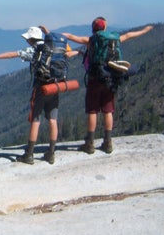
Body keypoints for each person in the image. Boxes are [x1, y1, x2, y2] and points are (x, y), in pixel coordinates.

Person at [0, 26, 78, 164]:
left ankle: (29, 154)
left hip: (41, 87)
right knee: (53, 120)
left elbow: (11, 54)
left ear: (30, 39)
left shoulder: (34, 50)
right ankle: (51, 153)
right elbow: (68, 52)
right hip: (56, 86)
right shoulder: (54, 47)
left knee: (35, 120)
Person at [63, 17, 153, 154]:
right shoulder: (114, 40)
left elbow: (70, 36)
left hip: (95, 78)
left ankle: (90, 143)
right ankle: (108, 142)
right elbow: (129, 35)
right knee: (108, 110)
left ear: (93, 29)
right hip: (111, 78)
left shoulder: (90, 40)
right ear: (105, 28)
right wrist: (145, 30)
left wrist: (53, 35)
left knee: (93, 111)